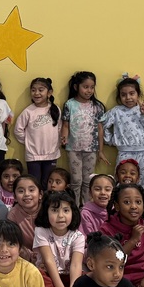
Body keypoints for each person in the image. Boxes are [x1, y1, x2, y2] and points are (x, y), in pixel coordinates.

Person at [101, 76, 144, 188]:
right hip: (125, 152)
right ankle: (119, 204)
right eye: (123, 95)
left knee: (143, 183)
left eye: (132, 93)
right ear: (119, 96)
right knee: (122, 182)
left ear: (138, 94)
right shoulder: (116, 111)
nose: (128, 97)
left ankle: (143, 204)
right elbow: (102, 124)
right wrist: (112, 140)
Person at [33, 190, 86, 287]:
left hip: (69, 277)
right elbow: (48, 261)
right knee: (35, 275)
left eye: (66, 210)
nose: (61, 215)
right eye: (55, 210)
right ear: (46, 213)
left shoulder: (78, 236)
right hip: (50, 275)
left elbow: (76, 264)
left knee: (87, 279)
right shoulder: (41, 231)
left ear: (73, 212)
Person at [60, 70, 106, 206]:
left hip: (91, 149)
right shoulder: (70, 104)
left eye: (92, 87)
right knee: (76, 180)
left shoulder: (97, 106)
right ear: (76, 87)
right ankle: (74, 207)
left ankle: (86, 207)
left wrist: (101, 150)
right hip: (73, 148)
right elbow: (66, 125)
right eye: (86, 87)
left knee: (88, 180)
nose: (89, 90)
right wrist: (64, 138)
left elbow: (100, 129)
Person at [14, 76, 62, 185]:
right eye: (33, 90)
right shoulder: (28, 111)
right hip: (33, 156)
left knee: (48, 183)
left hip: (51, 154)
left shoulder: (55, 109)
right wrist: (28, 142)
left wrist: (57, 143)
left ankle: (45, 201)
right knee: (34, 183)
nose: (36, 93)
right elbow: (18, 130)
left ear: (49, 92)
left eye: (41, 90)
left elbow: (59, 128)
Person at [6, 175, 43, 260]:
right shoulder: (13, 214)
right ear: (15, 197)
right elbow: (13, 241)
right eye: (21, 191)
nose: (26, 194)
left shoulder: (48, 210)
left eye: (31, 190)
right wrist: (30, 255)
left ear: (40, 194)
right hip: (25, 256)